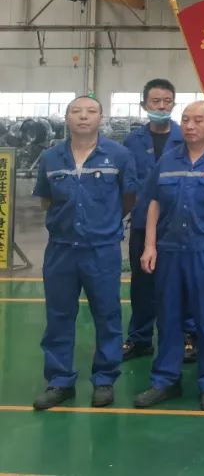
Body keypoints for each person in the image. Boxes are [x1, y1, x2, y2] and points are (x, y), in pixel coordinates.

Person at [133, 102, 204, 410]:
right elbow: (154, 202)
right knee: (168, 317)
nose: (190, 125)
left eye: (198, 120)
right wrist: (150, 245)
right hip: (170, 251)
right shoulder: (168, 159)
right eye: (185, 120)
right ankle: (165, 380)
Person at [32, 96, 137, 411]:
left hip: (101, 250)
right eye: (76, 111)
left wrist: (103, 223)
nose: (83, 116)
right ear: (66, 118)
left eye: (91, 111)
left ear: (100, 118)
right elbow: (46, 200)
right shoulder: (51, 157)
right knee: (59, 316)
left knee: (107, 314)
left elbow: (128, 197)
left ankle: (104, 380)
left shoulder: (119, 155)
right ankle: (59, 381)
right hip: (61, 250)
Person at [122, 79, 184, 361]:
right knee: (142, 285)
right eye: (155, 101)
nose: (161, 107)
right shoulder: (131, 142)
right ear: (144, 105)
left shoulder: (186, 137)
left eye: (167, 101)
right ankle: (140, 338)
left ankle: (185, 337)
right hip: (141, 223)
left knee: (180, 284)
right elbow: (127, 184)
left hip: (179, 224)